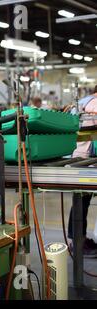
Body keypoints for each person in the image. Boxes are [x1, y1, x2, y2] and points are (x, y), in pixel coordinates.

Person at [67, 85, 97, 257]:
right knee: (82, 201)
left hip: (75, 154)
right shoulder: (95, 104)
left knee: (80, 201)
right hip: (87, 158)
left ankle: (78, 239)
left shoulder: (84, 101)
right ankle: (77, 241)